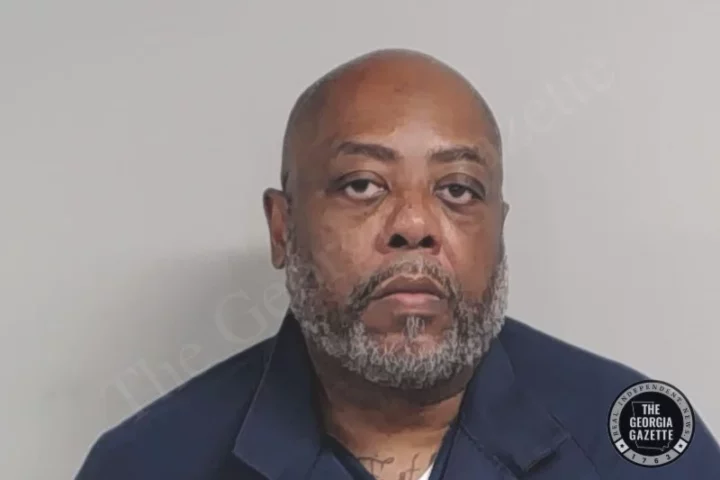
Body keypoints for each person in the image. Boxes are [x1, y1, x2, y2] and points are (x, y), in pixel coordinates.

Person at [76, 49, 720, 479]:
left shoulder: (641, 447)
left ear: (499, 229)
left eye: (458, 189)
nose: (415, 224)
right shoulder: (148, 464)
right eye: (362, 185)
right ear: (282, 229)